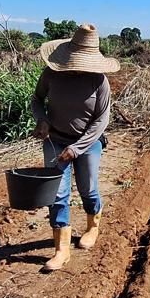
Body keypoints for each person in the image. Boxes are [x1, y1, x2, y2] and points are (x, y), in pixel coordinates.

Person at [30, 23, 120, 271]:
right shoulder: (51, 74)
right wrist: (42, 120)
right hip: (56, 140)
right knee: (57, 193)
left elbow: (101, 120)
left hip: (88, 143)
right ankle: (62, 250)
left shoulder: (99, 81)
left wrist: (77, 148)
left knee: (87, 188)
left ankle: (93, 227)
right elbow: (37, 99)